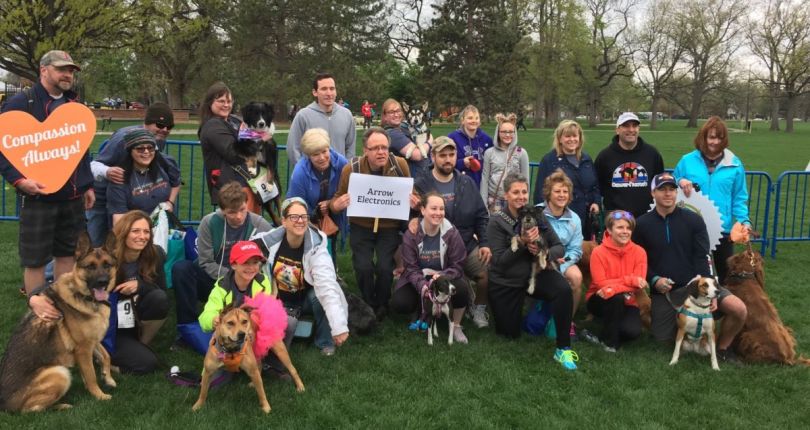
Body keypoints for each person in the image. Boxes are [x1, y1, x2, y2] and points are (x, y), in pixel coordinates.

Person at [1, 50, 94, 306]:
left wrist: (87, 185)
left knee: (68, 255)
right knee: (36, 260)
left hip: (72, 197)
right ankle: (38, 314)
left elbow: (80, 149)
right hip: (38, 197)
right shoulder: (22, 102)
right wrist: (19, 181)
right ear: (44, 70)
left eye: (71, 71)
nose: (68, 75)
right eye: (61, 69)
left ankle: (62, 308)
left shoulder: (74, 105)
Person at [632, 173, 748, 364]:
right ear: (653, 193)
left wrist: (711, 290)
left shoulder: (693, 220)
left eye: (671, 189)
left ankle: (722, 348)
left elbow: (703, 257)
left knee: (738, 309)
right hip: (665, 292)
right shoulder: (642, 224)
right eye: (662, 189)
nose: (668, 193)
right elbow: (638, 262)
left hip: (697, 285)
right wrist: (654, 280)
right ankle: (693, 324)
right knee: (662, 340)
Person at [487, 173, 580, 370]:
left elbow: (559, 247)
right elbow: (500, 262)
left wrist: (544, 252)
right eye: (515, 192)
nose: (521, 196)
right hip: (507, 280)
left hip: (536, 274)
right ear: (506, 195)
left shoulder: (537, 215)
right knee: (508, 333)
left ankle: (563, 348)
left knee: (563, 289)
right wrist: (522, 242)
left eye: (524, 192)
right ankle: (527, 317)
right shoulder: (496, 221)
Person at [172, 181, 272, 355]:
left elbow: (270, 257)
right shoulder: (209, 223)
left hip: (246, 282)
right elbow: (205, 262)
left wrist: (245, 276)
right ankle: (188, 328)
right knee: (182, 269)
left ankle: (252, 333)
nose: (239, 216)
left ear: (247, 204)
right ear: (222, 210)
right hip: (214, 279)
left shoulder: (259, 224)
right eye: (232, 212)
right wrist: (231, 276)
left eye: (242, 210)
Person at [330, 128, 414, 320]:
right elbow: (336, 199)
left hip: (389, 226)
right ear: (365, 150)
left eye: (384, 147)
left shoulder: (399, 165)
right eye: (375, 148)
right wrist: (337, 204)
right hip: (361, 226)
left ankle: (382, 302)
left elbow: (412, 192)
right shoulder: (352, 169)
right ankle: (369, 302)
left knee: (385, 267)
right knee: (363, 267)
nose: (381, 152)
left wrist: (414, 201)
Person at [251, 197, 350, 356]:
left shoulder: (316, 247)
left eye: (304, 216)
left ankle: (325, 341)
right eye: (294, 217)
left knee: (319, 295)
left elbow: (326, 286)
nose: (300, 221)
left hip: (305, 300)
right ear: (284, 221)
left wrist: (338, 327)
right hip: (278, 299)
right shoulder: (269, 242)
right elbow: (246, 261)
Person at [414, 137, 491, 328]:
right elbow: (412, 217)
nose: (448, 159)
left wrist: (484, 243)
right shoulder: (421, 184)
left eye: (451, 154)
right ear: (433, 157)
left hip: (466, 243)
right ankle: (434, 306)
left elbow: (481, 215)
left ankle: (478, 307)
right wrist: (413, 218)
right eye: (442, 155)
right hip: (435, 247)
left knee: (485, 270)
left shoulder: (466, 182)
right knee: (454, 278)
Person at [88, 103, 179, 246]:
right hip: (103, 196)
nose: (165, 130)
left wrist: (169, 201)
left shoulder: (158, 139)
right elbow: (94, 165)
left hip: (133, 194)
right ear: (147, 123)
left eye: (169, 127)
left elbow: (168, 173)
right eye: (160, 125)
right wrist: (107, 171)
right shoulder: (122, 139)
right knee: (96, 244)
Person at [674, 116, 751, 283]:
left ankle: (722, 300)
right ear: (703, 137)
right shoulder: (687, 161)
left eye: (720, 138)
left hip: (722, 229)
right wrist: (680, 180)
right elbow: (670, 185)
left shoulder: (735, 164)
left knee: (725, 276)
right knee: (691, 276)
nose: (715, 142)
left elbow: (739, 197)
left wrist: (744, 221)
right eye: (712, 137)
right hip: (690, 228)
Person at [391, 192, 470, 343]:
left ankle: (456, 325)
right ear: (422, 210)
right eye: (433, 208)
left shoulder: (451, 232)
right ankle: (421, 310)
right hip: (419, 276)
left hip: (444, 276)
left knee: (461, 289)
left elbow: (458, 264)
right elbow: (411, 268)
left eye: (441, 209)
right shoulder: (411, 234)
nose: (438, 213)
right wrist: (424, 286)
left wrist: (442, 277)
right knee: (400, 302)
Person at [102, 210, 169, 374]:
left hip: (135, 318)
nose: (142, 236)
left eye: (146, 231)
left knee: (160, 298)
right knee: (147, 364)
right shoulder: (106, 258)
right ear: (123, 233)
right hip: (109, 325)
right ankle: (102, 358)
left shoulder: (155, 254)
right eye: (136, 231)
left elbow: (161, 290)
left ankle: (142, 343)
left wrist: (140, 286)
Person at [581, 210, 646, 352]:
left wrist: (615, 287)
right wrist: (630, 280)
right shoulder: (598, 252)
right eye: (620, 227)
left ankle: (599, 334)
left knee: (631, 332)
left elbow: (639, 283)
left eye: (628, 228)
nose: (625, 232)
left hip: (628, 300)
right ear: (609, 230)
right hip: (599, 299)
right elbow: (600, 283)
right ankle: (610, 344)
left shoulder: (640, 252)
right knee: (616, 298)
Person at [286, 128, 349, 263]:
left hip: (334, 213)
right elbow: (295, 203)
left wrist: (331, 203)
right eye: (315, 154)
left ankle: (332, 269)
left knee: (330, 248)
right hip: (308, 214)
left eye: (324, 151)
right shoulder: (300, 172)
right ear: (308, 155)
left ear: (329, 148)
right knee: (309, 249)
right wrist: (309, 220)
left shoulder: (342, 164)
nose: (321, 158)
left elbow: (347, 191)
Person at [535, 120, 601, 240]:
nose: (572, 139)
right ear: (560, 139)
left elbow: (595, 185)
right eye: (567, 136)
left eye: (575, 136)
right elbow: (540, 192)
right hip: (562, 218)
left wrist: (596, 202)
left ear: (580, 138)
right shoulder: (549, 160)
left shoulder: (586, 159)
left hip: (587, 217)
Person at [594, 112, 664, 218]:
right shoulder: (605, 156)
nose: (631, 130)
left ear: (638, 129)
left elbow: (659, 183)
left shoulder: (652, 154)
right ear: (617, 130)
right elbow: (597, 186)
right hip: (616, 219)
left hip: (647, 217)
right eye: (626, 126)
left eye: (634, 126)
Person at [541, 170, 584, 337]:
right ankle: (540, 314)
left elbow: (576, 249)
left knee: (576, 277)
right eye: (557, 191)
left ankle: (567, 320)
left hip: (563, 260)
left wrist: (563, 263)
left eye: (565, 191)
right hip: (541, 260)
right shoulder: (538, 213)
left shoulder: (575, 219)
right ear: (548, 193)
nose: (561, 195)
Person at [106, 129, 180, 226]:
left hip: (164, 227)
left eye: (150, 148)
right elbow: (119, 220)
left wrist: (170, 202)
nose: (146, 152)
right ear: (130, 151)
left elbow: (176, 183)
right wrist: (143, 231)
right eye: (140, 148)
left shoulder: (164, 164)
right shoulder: (119, 177)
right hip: (135, 231)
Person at [287, 73, 356, 166]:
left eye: (332, 88)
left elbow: (350, 148)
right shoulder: (303, 116)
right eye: (324, 89)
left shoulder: (347, 115)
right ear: (315, 92)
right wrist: (304, 171)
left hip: (340, 173)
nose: (329, 93)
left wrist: (345, 170)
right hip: (310, 174)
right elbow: (293, 148)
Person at [198, 81, 246, 205]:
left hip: (246, 184)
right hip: (229, 189)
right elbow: (234, 154)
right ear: (210, 103)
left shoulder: (233, 120)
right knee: (237, 216)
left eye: (229, 101)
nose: (226, 105)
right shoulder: (213, 126)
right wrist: (246, 136)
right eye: (221, 101)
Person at [481, 113, 529, 213]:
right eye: (504, 132)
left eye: (511, 132)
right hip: (494, 201)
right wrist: (483, 204)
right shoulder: (489, 153)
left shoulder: (521, 153)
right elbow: (485, 179)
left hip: (515, 201)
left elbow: (526, 180)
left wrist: (525, 203)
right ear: (498, 133)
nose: (507, 135)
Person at [380, 98, 431, 178]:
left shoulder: (404, 128)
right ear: (385, 116)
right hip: (410, 179)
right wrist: (430, 141)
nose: (396, 114)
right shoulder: (392, 133)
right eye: (391, 112)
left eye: (398, 111)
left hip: (422, 176)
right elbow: (417, 155)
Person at [447, 105, 493, 188]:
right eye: (470, 118)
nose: (474, 121)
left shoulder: (487, 140)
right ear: (462, 120)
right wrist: (462, 163)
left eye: (476, 118)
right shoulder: (452, 138)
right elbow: (445, 162)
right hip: (459, 185)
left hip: (481, 185)